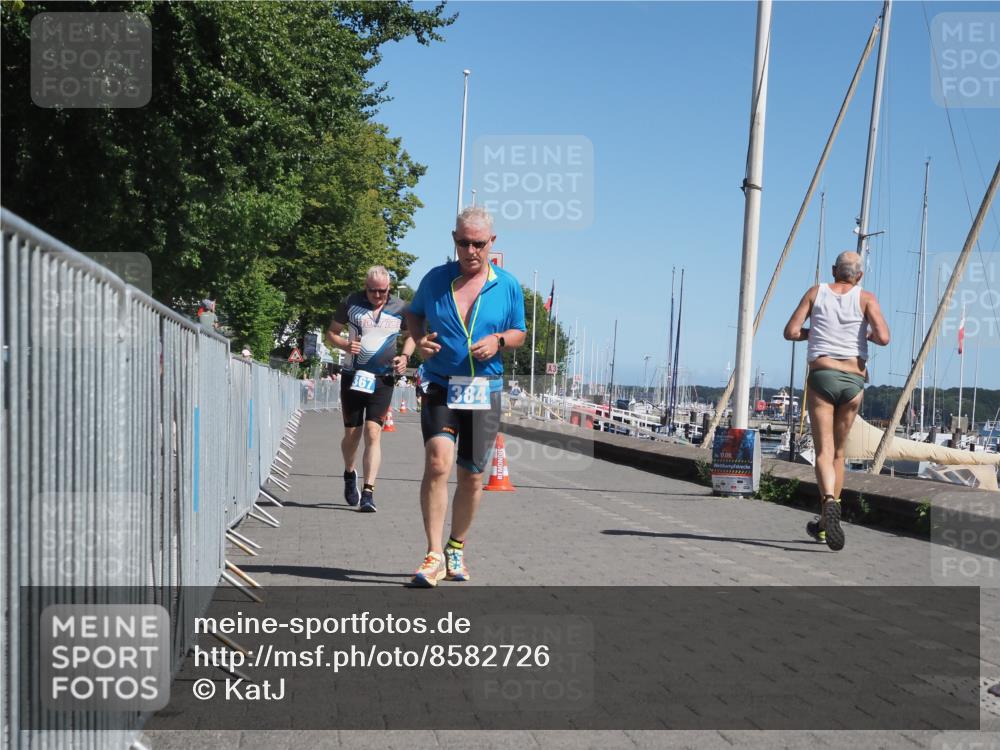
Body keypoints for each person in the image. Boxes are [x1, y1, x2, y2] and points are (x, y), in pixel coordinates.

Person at [405, 207, 526, 586]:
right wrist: (419, 341)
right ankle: (433, 554)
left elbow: (519, 332)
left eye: (478, 243)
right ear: (453, 239)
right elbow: (414, 314)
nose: (470, 250)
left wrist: (499, 340)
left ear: (492, 242)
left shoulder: (507, 285)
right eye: (463, 242)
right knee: (438, 462)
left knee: (472, 477)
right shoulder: (436, 279)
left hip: (484, 391)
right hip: (441, 383)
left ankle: (456, 546)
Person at [783, 250, 889, 551]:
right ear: (860, 276)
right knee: (839, 454)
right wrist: (863, 334)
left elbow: (790, 331)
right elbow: (883, 337)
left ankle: (828, 502)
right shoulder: (867, 298)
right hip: (853, 382)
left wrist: (812, 333)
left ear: (833, 270)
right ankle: (826, 521)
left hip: (822, 377)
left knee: (823, 452)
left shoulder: (816, 293)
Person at [327, 266, 414, 513]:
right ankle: (348, 472)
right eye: (372, 290)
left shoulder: (401, 308)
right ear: (365, 287)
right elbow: (331, 333)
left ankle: (368, 492)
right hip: (354, 376)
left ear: (390, 288)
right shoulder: (351, 302)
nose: (377, 295)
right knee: (352, 436)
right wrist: (345, 344)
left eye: (382, 291)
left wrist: (405, 356)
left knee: (374, 433)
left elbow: (414, 335)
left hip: (383, 379)